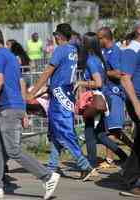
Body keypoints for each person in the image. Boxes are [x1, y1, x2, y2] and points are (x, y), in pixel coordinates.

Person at [0, 27, 60, 200]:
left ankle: (47, 176)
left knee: (13, 150)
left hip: (8, 108)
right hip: (12, 107)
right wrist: (23, 110)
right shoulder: (11, 56)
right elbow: (19, 83)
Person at [27, 23, 96, 181]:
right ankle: (52, 166)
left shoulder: (61, 50)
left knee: (64, 132)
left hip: (59, 95)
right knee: (55, 131)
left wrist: (32, 92)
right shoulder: (73, 49)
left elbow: (47, 72)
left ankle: (85, 165)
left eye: (55, 35)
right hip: (66, 93)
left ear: (58, 36)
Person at [76, 32, 127, 168]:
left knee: (89, 133)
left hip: (96, 100)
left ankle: (90, 166)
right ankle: (124, 157)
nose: (81, 44)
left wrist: (80, 83)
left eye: (83, 42)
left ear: (87, 44)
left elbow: (98, 82)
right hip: (103, 99)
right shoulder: (99, 58)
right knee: (100, 135)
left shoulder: (91, 60)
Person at [97, 27, 133, 167]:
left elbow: (119, 73)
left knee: (113, 129)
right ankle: (131, 152)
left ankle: (110, 159)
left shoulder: (116, 51)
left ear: (105, 38)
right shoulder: (103, 51)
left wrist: (103, 72)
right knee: (112, 130)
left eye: (99, 38)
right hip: (106, 92)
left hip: (115, 93)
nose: (97, 40)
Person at [119, 22, 140, 195]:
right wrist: (137, 104)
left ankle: (130, 175)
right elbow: (125, 79)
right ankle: (132, 180)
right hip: (137, 100)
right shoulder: (131, 50)